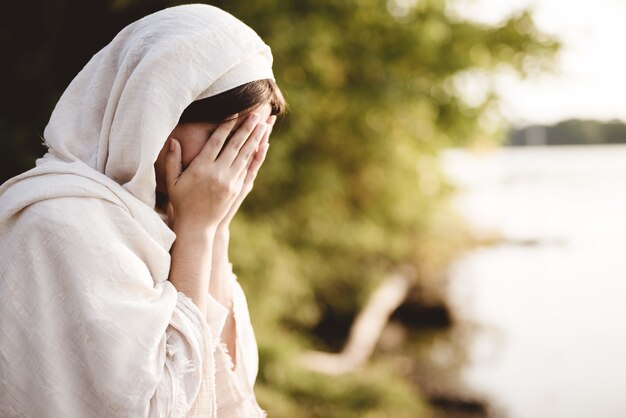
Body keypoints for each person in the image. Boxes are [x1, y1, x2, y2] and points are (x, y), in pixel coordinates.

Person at [0, 4, 285, 417]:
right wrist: (198, 234)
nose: (233, 160)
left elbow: (226, 394)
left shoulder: (171, 223)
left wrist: (215, 229)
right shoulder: (58, 224)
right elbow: (161, 408)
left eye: (250, 138)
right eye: (223, 132)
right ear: (154, 112)